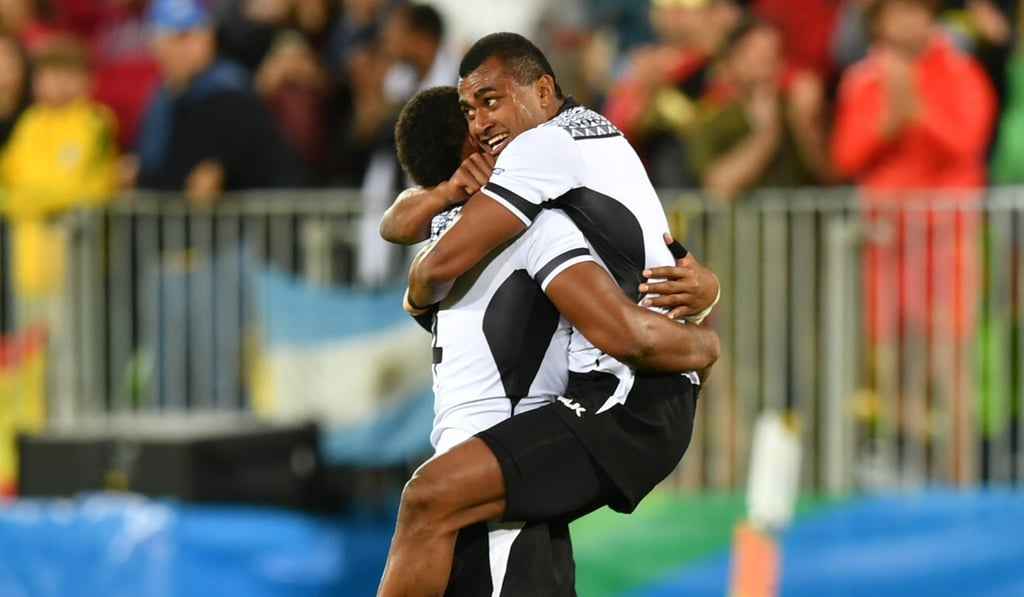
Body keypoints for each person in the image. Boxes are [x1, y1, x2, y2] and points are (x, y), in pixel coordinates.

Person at [377, 33, 722, 596]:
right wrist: (706, 296)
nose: (483, 123)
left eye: (492, 101)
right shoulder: (589, 138)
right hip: (626, 386)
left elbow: (438, 263)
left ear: (542, 90)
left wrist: (704, 345)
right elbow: (655, 250)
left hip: (627, 389)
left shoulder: (541, 162)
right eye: (470, 112)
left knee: (429, 498)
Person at [830, 0, 996, 482]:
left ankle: (961, 486)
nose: (909, 21)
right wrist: (889, 120)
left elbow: (968, 142)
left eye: (917, 11)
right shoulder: (862, 78)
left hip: (947, 243)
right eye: (897, 13)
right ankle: (913, 486)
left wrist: (915, 110)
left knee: (949, 365)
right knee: (894, 368)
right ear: (877, 23)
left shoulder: (960, 69)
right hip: (885, 246)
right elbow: (845, 156)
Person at [0, 35, 118, 419]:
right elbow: (6, 187)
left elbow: (88, 189)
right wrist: (41, 197)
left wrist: (30, 199)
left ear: (87, 79)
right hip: (29, 272)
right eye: (49, 74)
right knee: (32, 369)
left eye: (68, 73)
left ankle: (75, 446)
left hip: (75, 270)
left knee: (76, 364)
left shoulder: (95, 122)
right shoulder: (30, 125)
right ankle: (36, 449)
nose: (58, 84)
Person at [687, 17, 832, 200]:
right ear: (732, 62)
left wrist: (807, 124)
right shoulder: (712, 118)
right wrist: (767, 134)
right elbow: (719, 185)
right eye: (754, 53)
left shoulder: (796, 110)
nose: (766, 60)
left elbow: (828, 176)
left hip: (801, 226)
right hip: (742, 227)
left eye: (774, 52)